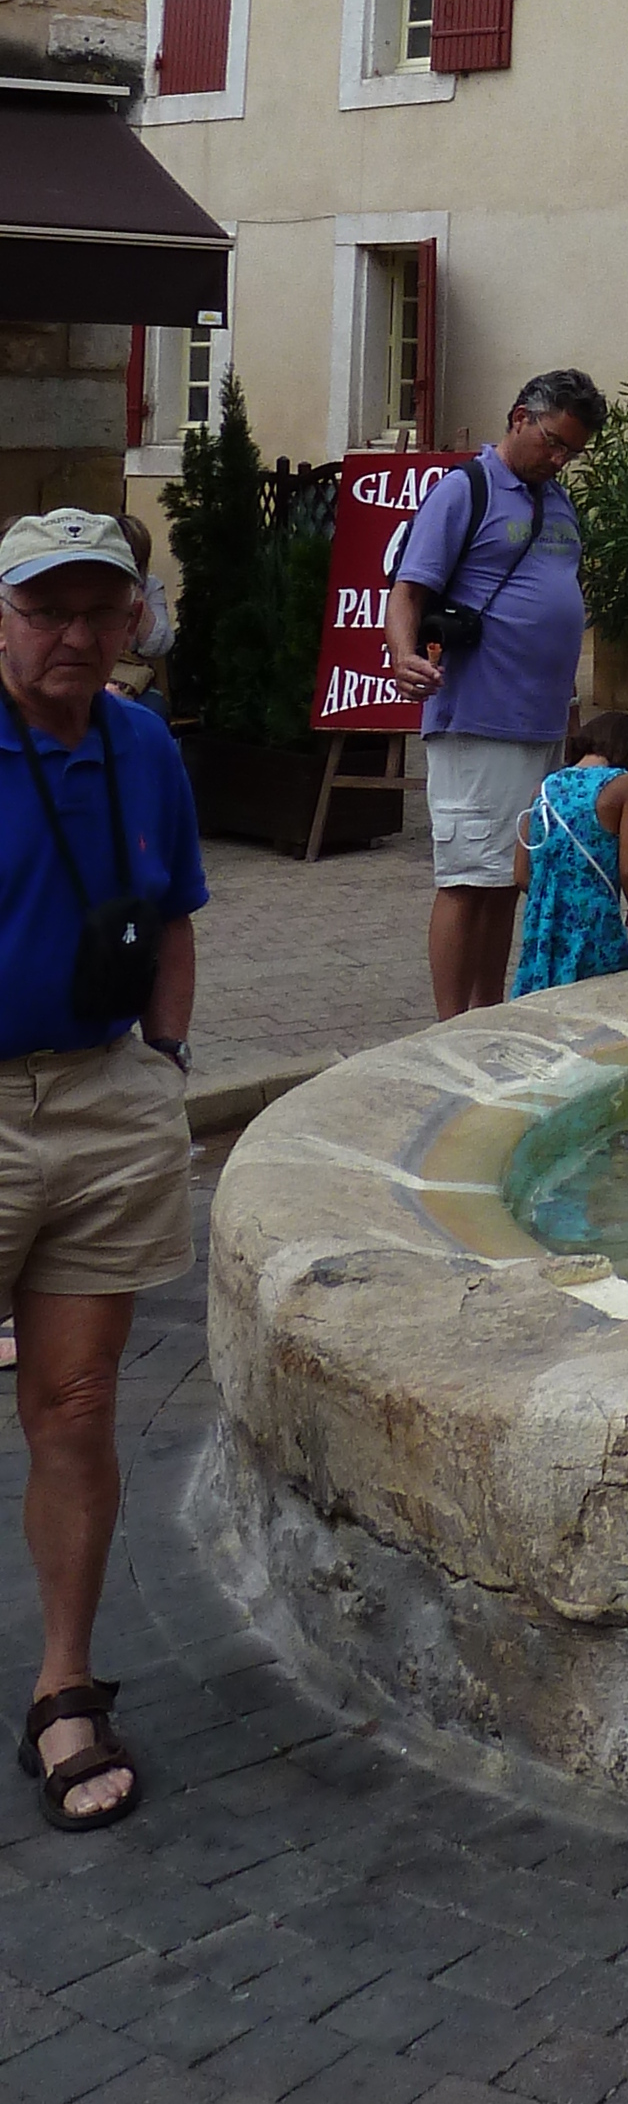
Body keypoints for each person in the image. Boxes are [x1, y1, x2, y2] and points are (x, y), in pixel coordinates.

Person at [0, 506, 205, 1829]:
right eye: (48, 611)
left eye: (100, 611)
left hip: (104, 1105)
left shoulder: (143, 746)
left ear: (133, 620)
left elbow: (175, 914)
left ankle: (64, 1685)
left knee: (74, 1410)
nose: (76, 635)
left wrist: (164, 1070)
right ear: (4, 617)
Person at [383, 370, 605, 1021]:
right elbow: (408, 591)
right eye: (555, 442)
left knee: (509, 881)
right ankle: (450, 1029)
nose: (561, 459)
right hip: (476, 718)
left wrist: (570, 712)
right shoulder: (464, 492)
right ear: (519, 419)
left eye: (574, 452)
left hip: (540, 725)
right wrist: (402, 655)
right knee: (464, 881)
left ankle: (489, 1015)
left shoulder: (558, 503)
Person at [510, 713, 628, 995]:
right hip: (594, 921)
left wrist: (555, 897)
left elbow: (521, 874)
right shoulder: (625, 786)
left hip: (544, 926)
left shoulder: (544, 787)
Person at [110, 516, 175, 703]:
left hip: (132, 678)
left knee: (153, 710)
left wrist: (134, 588)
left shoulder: (151, 586)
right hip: (95, 672)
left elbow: (155, 647)